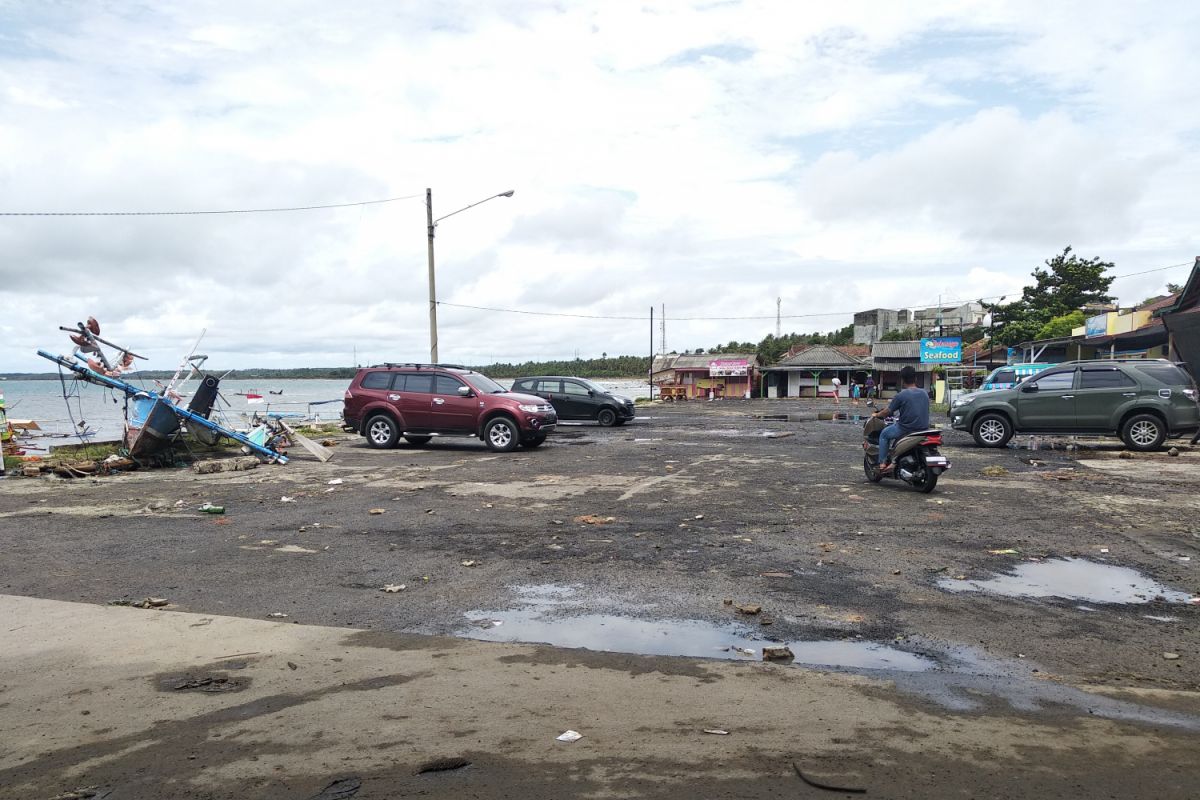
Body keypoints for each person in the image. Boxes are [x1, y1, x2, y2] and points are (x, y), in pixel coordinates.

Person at [871, 365, 930, 474]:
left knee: (884, 434)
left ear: (902, 380)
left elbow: (887, 412)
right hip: (923, 428)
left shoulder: (901, 395)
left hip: (906, 428)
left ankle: (882, 463)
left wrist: (877, 415)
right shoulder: (924, 393)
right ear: (915, 378)